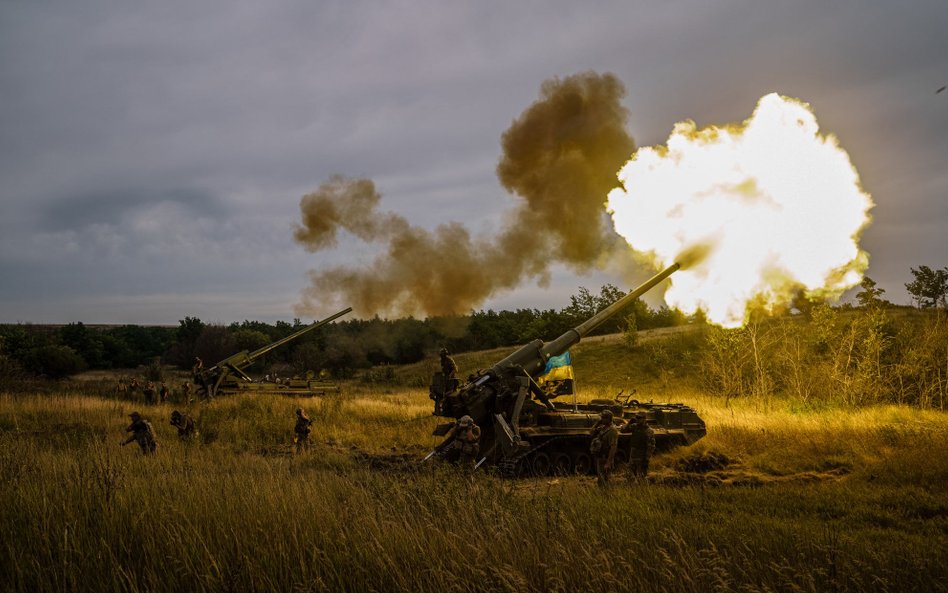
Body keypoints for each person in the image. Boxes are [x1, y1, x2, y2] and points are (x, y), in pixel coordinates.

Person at [590, 409, 619, 488]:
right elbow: (591, 432)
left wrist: (608, 462)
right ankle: (602, 495)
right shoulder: (602, 428)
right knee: (600, 480)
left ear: (608, 419)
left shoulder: (612, 430)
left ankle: (607, 496)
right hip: (600, 458)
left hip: (606, 458)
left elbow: (613, 447)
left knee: (606, 480)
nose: (601, 419)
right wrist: (597, 423)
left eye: (603, 418)